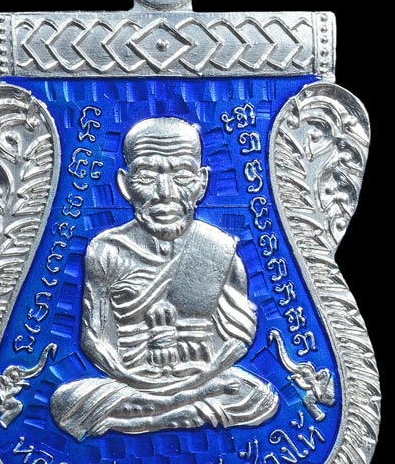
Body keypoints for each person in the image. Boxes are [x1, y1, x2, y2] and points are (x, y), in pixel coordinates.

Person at [50, 117, 278, 439]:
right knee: (65, 401)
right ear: (124, 184)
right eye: (146, 176)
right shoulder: (106, 250)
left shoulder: (218, 249)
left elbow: (238, 339)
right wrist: (138, 381)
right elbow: (94, 339)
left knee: (259, 397)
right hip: (132, 382)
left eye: (182, 175)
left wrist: (196, 380)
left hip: (201, 377)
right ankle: (176, 411)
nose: (165, 193)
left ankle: (142, 418)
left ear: (201, 183)